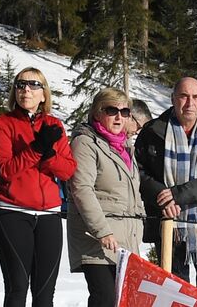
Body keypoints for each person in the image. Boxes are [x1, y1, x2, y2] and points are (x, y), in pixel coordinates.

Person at [134, 77, 197, 298]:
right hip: (168, 225)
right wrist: (161, 198)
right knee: (174, 294)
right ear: (173, 99)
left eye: (195, 97)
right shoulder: (152, 132)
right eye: (183, 96)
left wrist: (177, 196)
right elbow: (138, 172)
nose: (189, 103)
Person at [0, 67, 77, 307]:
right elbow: (6, 171)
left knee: (45, 293)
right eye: (20, 84)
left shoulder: (54, 125)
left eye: (33, 85)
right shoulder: (3, 123)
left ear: (43, 94)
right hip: (11, 211)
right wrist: (36, 150)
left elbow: (68, 170)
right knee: (18, 288)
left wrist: (48, 154)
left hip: (48, 213)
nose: (26, 89)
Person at [68, 87, 145, 307]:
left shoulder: (124, 147)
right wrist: (102, 230)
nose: (119, 117)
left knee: (121, 302)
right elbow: (81, 189)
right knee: (104, 299)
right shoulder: (85, 143)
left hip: (125, 243)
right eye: (112, 110)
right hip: (98, 242)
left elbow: (132, 194)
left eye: (125, 111)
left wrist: (139, 225)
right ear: (97, 113)